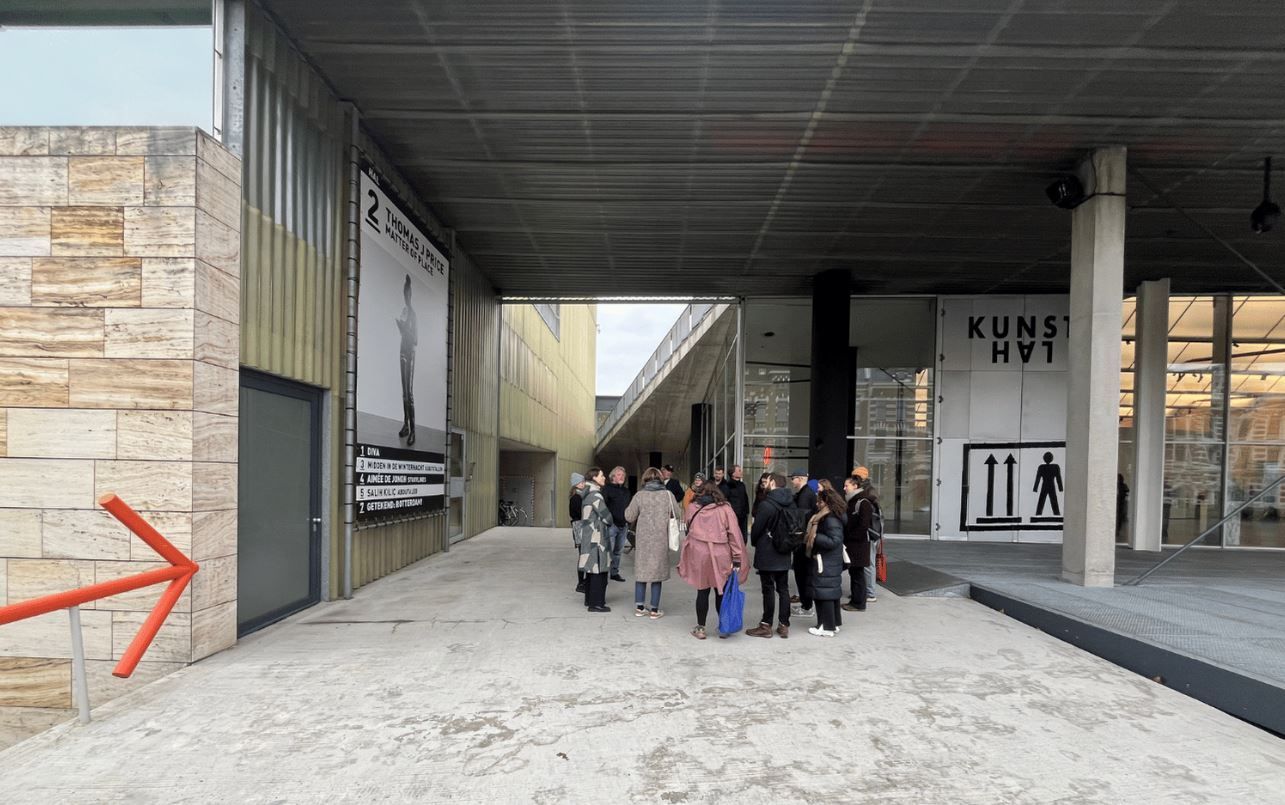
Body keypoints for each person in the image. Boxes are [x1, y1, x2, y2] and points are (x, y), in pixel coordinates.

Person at [678, 483, 749, 640]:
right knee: (721, 590)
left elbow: (688, 527)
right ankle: (723, 627)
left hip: (700, 554)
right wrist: (737, 558)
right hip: (720, 553)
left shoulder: (692, 508)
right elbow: (734, 535)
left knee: (702, 590)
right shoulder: (725, 509)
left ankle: (701, 628)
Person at [745, 472, 796, 639]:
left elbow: (757, 529)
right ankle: (784, 625)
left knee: (768, 589)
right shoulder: (791, 503)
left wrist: (754, 542)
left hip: (767, 551)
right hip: (784, 550)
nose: (765, 483)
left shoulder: (766, 505)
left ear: (772, 483)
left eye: (768, 481)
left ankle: (766, 625)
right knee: (783, 589)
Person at [624, 467, 673, 619]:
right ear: (660, 478)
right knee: (657, 574)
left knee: (642, 573)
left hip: (643, 540)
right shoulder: (667, 495)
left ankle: (639, 607)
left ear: (645, 479)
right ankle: (654, 610)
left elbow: (629, 516)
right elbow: (677, 513)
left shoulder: (639, 495)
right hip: (660, 539)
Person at [806, 489, 848, 637]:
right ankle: (833, 624)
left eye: (820, 501)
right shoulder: (832, 515)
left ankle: (825, 627)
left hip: (825, 561)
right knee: (830, 593)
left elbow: (834, 541)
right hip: (828, 561)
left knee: (824, 593)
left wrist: (815, 536)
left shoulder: (829, 518)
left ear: (826, 502)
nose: (817, 504)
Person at [578, 467, 613, 613]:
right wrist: (610, 520)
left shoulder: (586, 494)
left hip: (588, 536)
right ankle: (597, 603)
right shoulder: (596, 496)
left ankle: (590, 600)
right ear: (594, 478)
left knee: (591, 570)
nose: (604, 477)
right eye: (601, 475)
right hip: (597, 538)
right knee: (599, 570)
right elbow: (606, 517)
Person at [788, 469, 817, 619]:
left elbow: (801, 520)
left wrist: (796, 538)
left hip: (803, 542)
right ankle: (806, 605)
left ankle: (807, 607)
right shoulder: (805, 494)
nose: (792, 481)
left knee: (804, 574)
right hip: (803, 541)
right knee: (803, 574)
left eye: (793, 478)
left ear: (799, 479)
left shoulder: (805, 496)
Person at [841, 474, 872, 612]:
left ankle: (858, 603)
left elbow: (863, 525)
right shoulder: (853, 501)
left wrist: (850, 536)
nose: (844, 488)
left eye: (847, 485)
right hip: (854, 544)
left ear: (855, 486)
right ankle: (856, 599)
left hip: (859, 545)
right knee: (855, 573)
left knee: (858, 574)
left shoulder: (862, 502)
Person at [395, 275, 418, 446]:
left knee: (409, 394)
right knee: (403, 393)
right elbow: (403, 332)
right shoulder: (404, 311)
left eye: (407, 294)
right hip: (402, 351)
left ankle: (414, 431)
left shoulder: (413, 314)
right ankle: (406, 425)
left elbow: (416, 339)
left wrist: (406, 330)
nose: (406, 297)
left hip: (410, 353)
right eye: (404, 294)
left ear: (411, 295)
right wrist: (401, 328)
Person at [853, 466, 879, 603]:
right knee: (867, 563)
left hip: (870, 533)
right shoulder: (869, 490)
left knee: (869, 563)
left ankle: (870, 593)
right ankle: (864, 591)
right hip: (871, 531)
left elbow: (868, 516)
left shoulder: (868, 493)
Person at [602, 466, 632, 582]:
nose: (622, 477)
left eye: (623, 475)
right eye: (619, 475)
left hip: (623, 525)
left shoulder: (626, 491)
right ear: (613, 477)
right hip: (611, 525)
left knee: (618, 552)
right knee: (608, 551)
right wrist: (608, 521)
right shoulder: (607, 489)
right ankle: (604, 574)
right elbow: (603, 507)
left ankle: (614, 573)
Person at [719, 464, 751, 540]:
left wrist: (746, 512)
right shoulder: (727, 486)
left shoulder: (742, 485)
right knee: (733, 538)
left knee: (743, 538)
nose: (741, 472)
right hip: (733, 517)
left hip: (743, 517)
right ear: (733, 474)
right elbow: (723, 501)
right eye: (739, 470)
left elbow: (745, 499)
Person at [570, 473, 587, 593]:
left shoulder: (578, 496)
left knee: (583, 555)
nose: (584, 484)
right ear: (577, 484)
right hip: (580, 526)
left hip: (578, 526)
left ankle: (582, 581)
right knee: (583, 556)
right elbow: (578, 514)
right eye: (582, 482)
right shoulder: (577, 498)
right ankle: (581, 582)